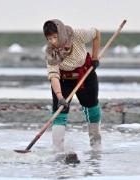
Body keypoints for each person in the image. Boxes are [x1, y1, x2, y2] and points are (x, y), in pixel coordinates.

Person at [43, 19, 102, 151]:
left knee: (92, 108)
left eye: (55, 37)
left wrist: (95, 57)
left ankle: (96, 147)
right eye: (49, 38)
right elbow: (53, 75)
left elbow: (96, 33)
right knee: (59, 112)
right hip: (63, 80)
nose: (53, 41)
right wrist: (60, 97)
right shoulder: (51, 52)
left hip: (85, 74)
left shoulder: (77, 34)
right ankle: (57, 149)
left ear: (62, 34)